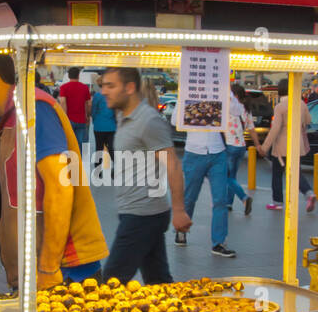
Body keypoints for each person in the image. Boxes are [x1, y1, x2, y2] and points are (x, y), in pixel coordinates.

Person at [0, 52, 107, 289]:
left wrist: (48, 266)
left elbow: (59, 187)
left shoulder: (33, 108)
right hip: (39, 267)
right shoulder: (9, 117)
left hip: (65, 271)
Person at [99, 67, 190, 283]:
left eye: (111, 85)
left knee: (111, 283)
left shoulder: (148, 121)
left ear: (130, 88)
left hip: (142, 215)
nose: (104, 91)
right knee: (158, 283)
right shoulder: (123, 116)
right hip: (140, 213)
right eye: (103, 85)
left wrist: (179, 210)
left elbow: (173, 165)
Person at [176, 111, 235, 257]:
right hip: (194, 151)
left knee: (220, 199)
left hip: (218, 152)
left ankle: (219, 242)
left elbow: (235, 112)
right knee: (190, 197)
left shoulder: (222, 92)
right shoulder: (188, 91)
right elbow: (174, 120)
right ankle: (182, 230)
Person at [259, 79, 316, 214]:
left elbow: (275, 128)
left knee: (277, 174)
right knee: (295, 171)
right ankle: (309, 193)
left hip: (282, 146)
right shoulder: (301, 104)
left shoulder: (280, 107)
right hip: (298, 145)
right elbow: (308, 120)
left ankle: (278, 201)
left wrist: (265, 147)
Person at [226, 84, 260, 216]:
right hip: (241, 147)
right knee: (232, 177)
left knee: (226, 177)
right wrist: (257, 145)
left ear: (235, 96)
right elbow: (251, 129)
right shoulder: (246, 110)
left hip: (229, 146)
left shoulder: (229, 108)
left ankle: (244, 198)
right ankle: (229, 203)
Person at [57, 67, 91, 148]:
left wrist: (64, 118)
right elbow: (88, 104)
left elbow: (62, 102)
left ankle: (70, 160)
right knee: (81, 144)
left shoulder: (64, 87)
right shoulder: (85, 87)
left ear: (68, 76)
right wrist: (87, 116)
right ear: (78, 75)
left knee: (69, 143)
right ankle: (79, 159)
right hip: (81, 120)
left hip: (69, 120)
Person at [91, 81, 116, 158]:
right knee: (112, 148)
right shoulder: (114, 95)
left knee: (99, 148)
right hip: (112, 126)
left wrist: (95, 121)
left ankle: (97, 167)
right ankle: (117, 165)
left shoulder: (97, 95)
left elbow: (93, 110)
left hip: (99, 126)